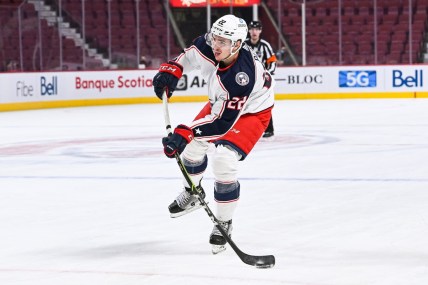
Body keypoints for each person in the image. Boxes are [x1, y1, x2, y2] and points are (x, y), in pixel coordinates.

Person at [153, 14, 275, 254]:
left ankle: (224, 222)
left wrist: (185, 132)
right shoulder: (209, 44)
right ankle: (193, 192)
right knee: (192, 148)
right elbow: (187, 57)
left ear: (237, 44)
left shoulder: (242, 76)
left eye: (223, 41)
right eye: (214, 38)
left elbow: (221, 124)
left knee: (224, 159)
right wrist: (172, 71)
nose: (215, 45)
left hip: (253, 111)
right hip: (223, 103)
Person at [245, 20, 277, 138]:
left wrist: (269, 74)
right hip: (247, 81)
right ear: (248, 31)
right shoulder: (244, 45)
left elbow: (272, 61)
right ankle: (244, 129)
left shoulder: (265, 45)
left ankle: (269, 129)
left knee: (265, 104)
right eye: (252, 29)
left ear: (260, 31)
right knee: (244, 104)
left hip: (263, 81)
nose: (254, 32)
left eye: (257, 29)